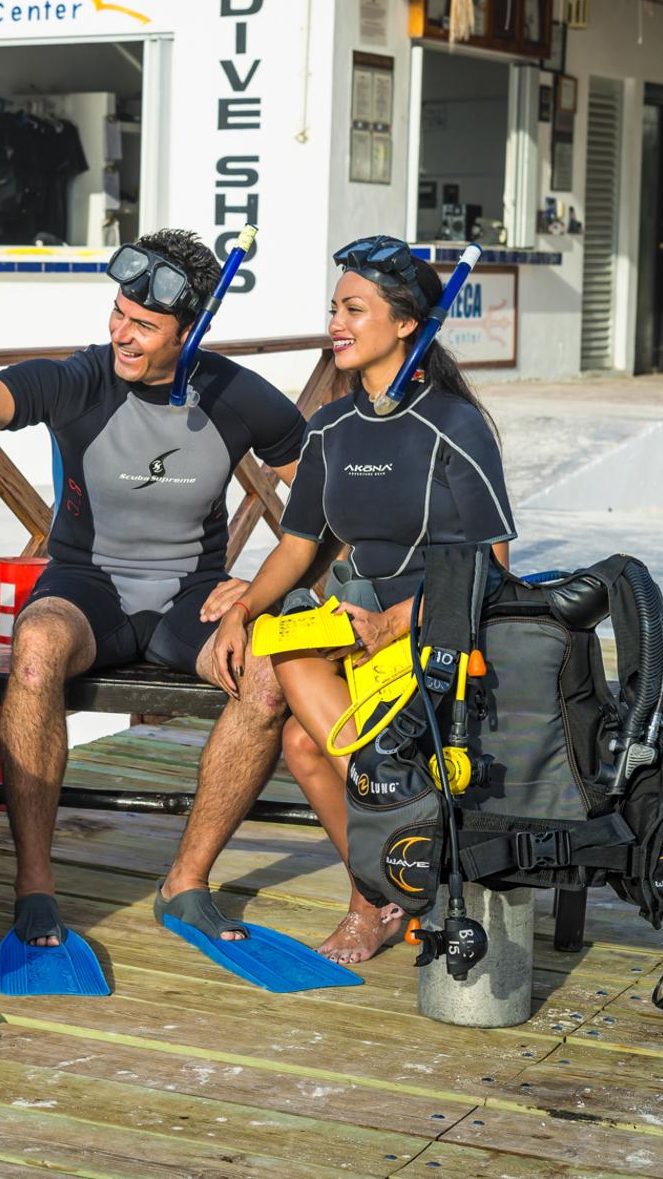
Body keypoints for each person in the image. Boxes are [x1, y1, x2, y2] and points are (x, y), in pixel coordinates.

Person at [0, 228, 308, 967]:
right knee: (37, 646)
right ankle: (35, 883)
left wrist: (269, 586)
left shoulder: (237, 395)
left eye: (144, 326)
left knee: (271, 673)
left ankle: (186, 881)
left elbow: (322, 500)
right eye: (118, 312)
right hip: (88, 584)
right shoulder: (80, 379)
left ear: (194, 331)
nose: (120, 333)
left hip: (196, 593)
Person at [201, 237, 514, 962]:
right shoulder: (333, 428)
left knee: (309, 742)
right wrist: (244, 609)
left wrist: (401, 619)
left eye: (353, 309)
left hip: (443, 629)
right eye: (333, 309)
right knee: (289, 663)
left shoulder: (454, 424)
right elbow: (299, 545)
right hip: (357, 622)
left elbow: (495, 564)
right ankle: (396, 868)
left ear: (407, 323)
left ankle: (377, 893)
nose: (335, 323)